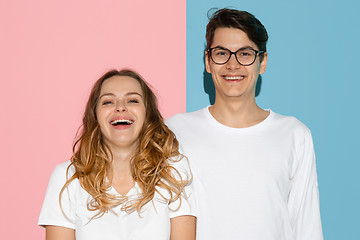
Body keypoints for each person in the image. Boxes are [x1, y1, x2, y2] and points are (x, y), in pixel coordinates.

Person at [166, 8, 323, 240]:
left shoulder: (294, 134)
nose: (233, 65)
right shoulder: (175, 131)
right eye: (221, 53)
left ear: (263, 62)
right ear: (208, 62)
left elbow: (306, 226)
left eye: (245, 54)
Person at [38, 69, 196, 240]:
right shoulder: (67, 177)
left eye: (133, 100)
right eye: (108, 102)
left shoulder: (174, 172)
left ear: (148, 114)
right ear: (95, 115)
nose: (120, 107)